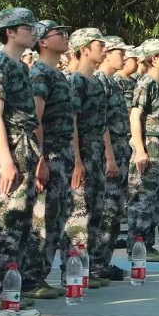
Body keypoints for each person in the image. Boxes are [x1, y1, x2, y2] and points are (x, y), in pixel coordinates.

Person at [0, 7, 41, 307]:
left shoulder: (21, 67)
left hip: (25, 146)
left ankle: (7, 288)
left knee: (18, 222)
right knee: (2, 220)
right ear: (10, 32)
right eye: (27, 28)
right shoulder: (0, 62)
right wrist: (4, 158)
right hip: (11, 146)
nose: (33, 33)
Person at [21, 20, 73, 299]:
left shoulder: (57, 74)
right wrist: (40, 158)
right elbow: (35, 119)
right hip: (49, 152)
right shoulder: (40, 73)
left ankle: (39, 274)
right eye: (58, 34)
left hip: (62, 152)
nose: (65, 37)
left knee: (56, 215)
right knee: (44, 216)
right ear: (42, 42)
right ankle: (31, 278)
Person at [64, 28, 117, 285]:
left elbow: (103, 123)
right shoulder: (76, 81)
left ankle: (87, 269)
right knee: (79, 213)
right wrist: (76, 160)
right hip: (83, 150)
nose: (104, 49)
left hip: (96, 151)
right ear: (84, 50)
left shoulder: (96, 82)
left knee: (96, 210)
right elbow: (72, 122)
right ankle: (72, 272)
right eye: (99, 45)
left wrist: (109, 156)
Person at [128, 40, 159, 261]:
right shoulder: (146, 83)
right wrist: (140, 149)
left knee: (155, 197)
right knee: (143, 199)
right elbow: (135, 116)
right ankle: (138, 247)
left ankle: (147, 245)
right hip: (149, 142)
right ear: (154, 59)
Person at [94, 36, 131, 278]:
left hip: (119, 149)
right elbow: (102, 123)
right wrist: (109, 156)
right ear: (107, 55)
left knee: (115, 209)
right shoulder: (100, 81)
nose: (124, 57)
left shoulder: (112, 82)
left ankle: (103, 262)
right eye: (120, 52)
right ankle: (96, 264)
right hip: (109, 153)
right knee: (106, 210)